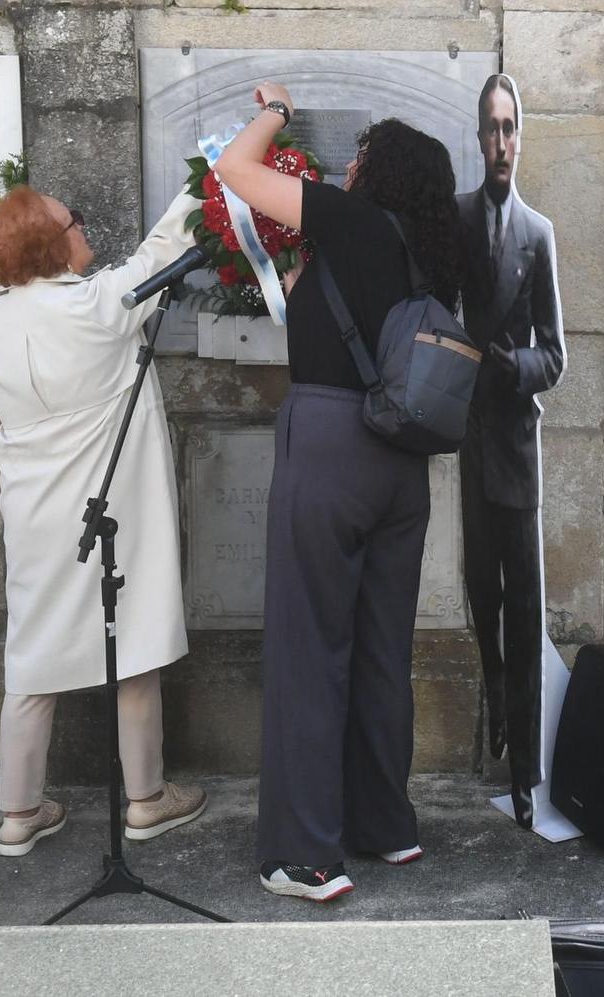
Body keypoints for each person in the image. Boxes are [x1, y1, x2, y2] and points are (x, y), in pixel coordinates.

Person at [214, 82, 465, 902]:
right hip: (402, 463)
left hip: (330, 445)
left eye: (361, 155)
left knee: (307, 649)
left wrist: (275, 113)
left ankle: (305, 856)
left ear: (378, 171)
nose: (348, 165)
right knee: (380, 648)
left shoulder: (350, 220)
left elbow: (233, 169)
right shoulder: (433, 252)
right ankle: (384, 826)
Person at [0, 185, 208, 857]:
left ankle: (18, 812)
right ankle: (146, 798)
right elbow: (166, 248)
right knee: (131, 642)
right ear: (53, 241)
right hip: (109, 507)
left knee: (32, 653)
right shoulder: (97, 307)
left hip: (35, 514)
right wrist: (214, 173)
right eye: (73, 219)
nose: (84, 224)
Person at [455, 73, 565, 828]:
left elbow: (555, 353)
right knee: (481, 595)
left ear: (522, 135)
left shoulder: (538, 233)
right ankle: (493, 700)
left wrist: (514, 365)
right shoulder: (456, 219)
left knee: (523, 610)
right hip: (467, 437)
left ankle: (525, 768)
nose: (501, 142)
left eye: (511, 127)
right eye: (491, 128)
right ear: (479, 137)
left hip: (517, 447)